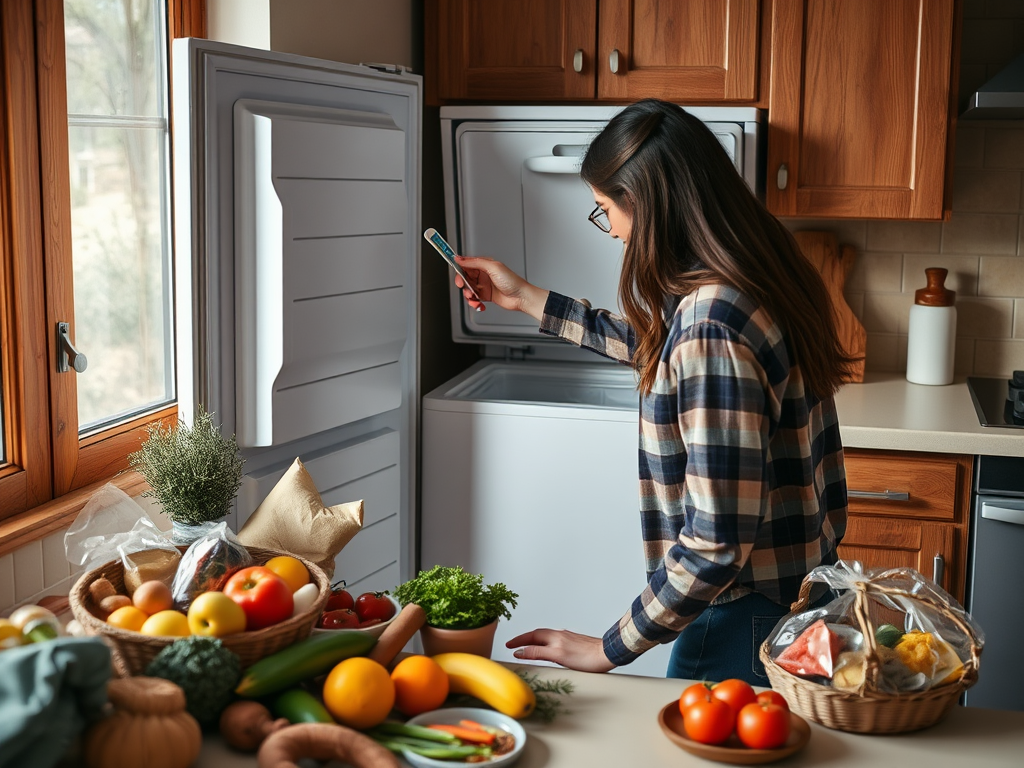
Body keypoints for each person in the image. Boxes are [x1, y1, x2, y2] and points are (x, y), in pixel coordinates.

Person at [451, 98, 852, 686]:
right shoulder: (756, 273)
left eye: (605, 209)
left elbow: (714, 544)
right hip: (788, 598)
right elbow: (662, 348)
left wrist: (608, 648)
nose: (610, 228)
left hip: (740, 622)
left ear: (649, 203)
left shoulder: (710, 324)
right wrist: (527, 297)